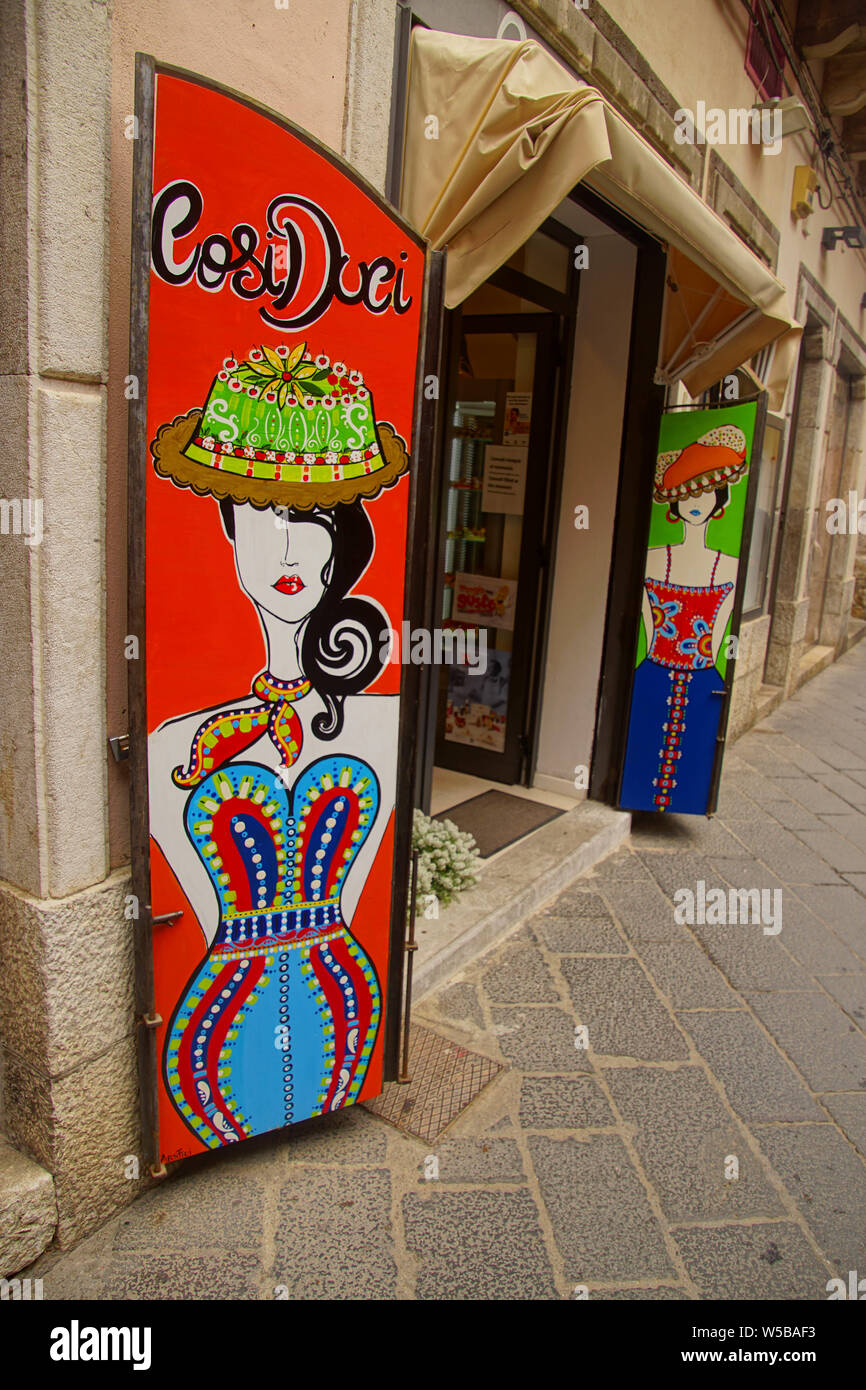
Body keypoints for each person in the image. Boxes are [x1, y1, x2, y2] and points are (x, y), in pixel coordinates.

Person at [147, 341, 408, 1149]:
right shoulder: (175, 743)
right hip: (211, 1033)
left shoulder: (377, 723)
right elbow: (190, 906)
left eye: (313, 522)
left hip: (346, 1009)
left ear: (341, 543)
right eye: (264, 516)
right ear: (227, 528)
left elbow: (361, 890)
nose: (290, 551)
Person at [619, 423, 747, 815]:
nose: (696, 500)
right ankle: (637, 796)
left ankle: (680, 803)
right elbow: (645, 626)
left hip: (703, 675)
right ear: (673, 503)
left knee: (691, 754)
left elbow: (723, 629)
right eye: (688, 492)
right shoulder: (655, 558)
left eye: (706, 491)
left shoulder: (728, 567)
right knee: (642, 740)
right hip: (653, 671)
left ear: (720, 498)